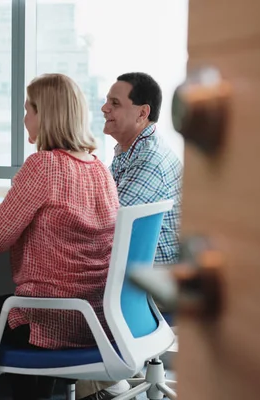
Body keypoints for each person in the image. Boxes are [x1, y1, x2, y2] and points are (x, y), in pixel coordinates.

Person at [0, 73, 120, 400]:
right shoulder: (98, 168)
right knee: (7, 308)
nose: (24, 118)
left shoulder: (44, 165)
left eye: (29, 109)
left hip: (55, 317)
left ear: (47, 115)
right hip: (97, 316)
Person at [77, 73, 183, 400]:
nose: (104, 107)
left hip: (158, 279)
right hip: (144, 272)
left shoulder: (148, 158)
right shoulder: (129, 151)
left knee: (76, 291)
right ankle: (118, 383)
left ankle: (105, 387)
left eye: (115, 103)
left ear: (142, 112)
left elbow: (109, 226)